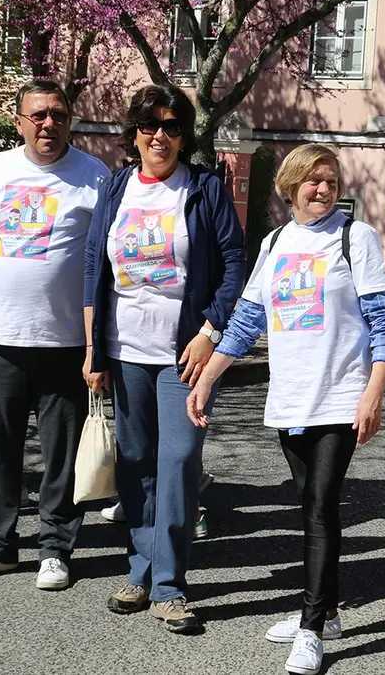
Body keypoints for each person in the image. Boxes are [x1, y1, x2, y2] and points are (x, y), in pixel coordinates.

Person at [187, 143, 385, 674]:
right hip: (291, 397)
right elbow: (246, 321)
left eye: (330, 180)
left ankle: (310, 628)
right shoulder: (275, 243)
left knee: (320, 507)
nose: (323, 189)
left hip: (340, 396)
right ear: (290, 187)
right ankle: (325, 610)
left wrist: (374, 390)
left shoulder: (355, 239)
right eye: (312, 180)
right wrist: (206, 381)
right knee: (309, 504)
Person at [83, 83, 246, 633]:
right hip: (125, 351)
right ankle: (141, 569)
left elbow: (232, 263)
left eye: (172, 127)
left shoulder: (203, 188)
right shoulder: (115, 188)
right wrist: (94, 349)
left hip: (185, 353)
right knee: (135, 462)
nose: (160, 135)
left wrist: (210, 330)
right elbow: (93, 269)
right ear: (134, 133)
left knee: (176, 462)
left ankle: (171, 585)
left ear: (184, 136)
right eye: (150, 125)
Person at [0, 80, 108, 588]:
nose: (48, 124)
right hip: (1, 339)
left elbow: (104, 260)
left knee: (60, 455)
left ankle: (55, 548)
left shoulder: (94, 177)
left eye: (58, 114)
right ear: (19, 122)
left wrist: (95, 342)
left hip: (64, 344)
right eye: (37, 115)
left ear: (69, 121)